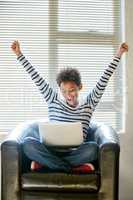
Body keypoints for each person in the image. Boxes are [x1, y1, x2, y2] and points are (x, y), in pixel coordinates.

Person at [11, 41, 128, 173]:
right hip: (50, 151)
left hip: (76, 154)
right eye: (64, 91)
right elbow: (36, 78)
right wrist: (19, 54)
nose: (68, 95)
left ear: (80, 87)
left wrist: (119, 54)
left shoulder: (89, 104)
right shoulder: (53, 100)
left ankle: (47, 165)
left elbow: (104, 80)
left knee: (93, 149)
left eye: (72, 90)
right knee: (28, 144)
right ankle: (72, 168)